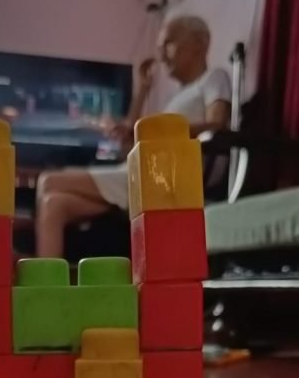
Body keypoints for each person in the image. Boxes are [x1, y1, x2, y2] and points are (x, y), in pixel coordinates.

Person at [35, 15, 231, 258]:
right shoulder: (179, 97)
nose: (162, 56)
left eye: (169, 43)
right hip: (142, 172)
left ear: (200, 43)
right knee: (53, 203)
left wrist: (161, 134)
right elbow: (131, 143)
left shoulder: (213, 78)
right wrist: (142, 91)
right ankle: (46, 279)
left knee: (48, 181)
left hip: (165, 178)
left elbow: (217, 124)